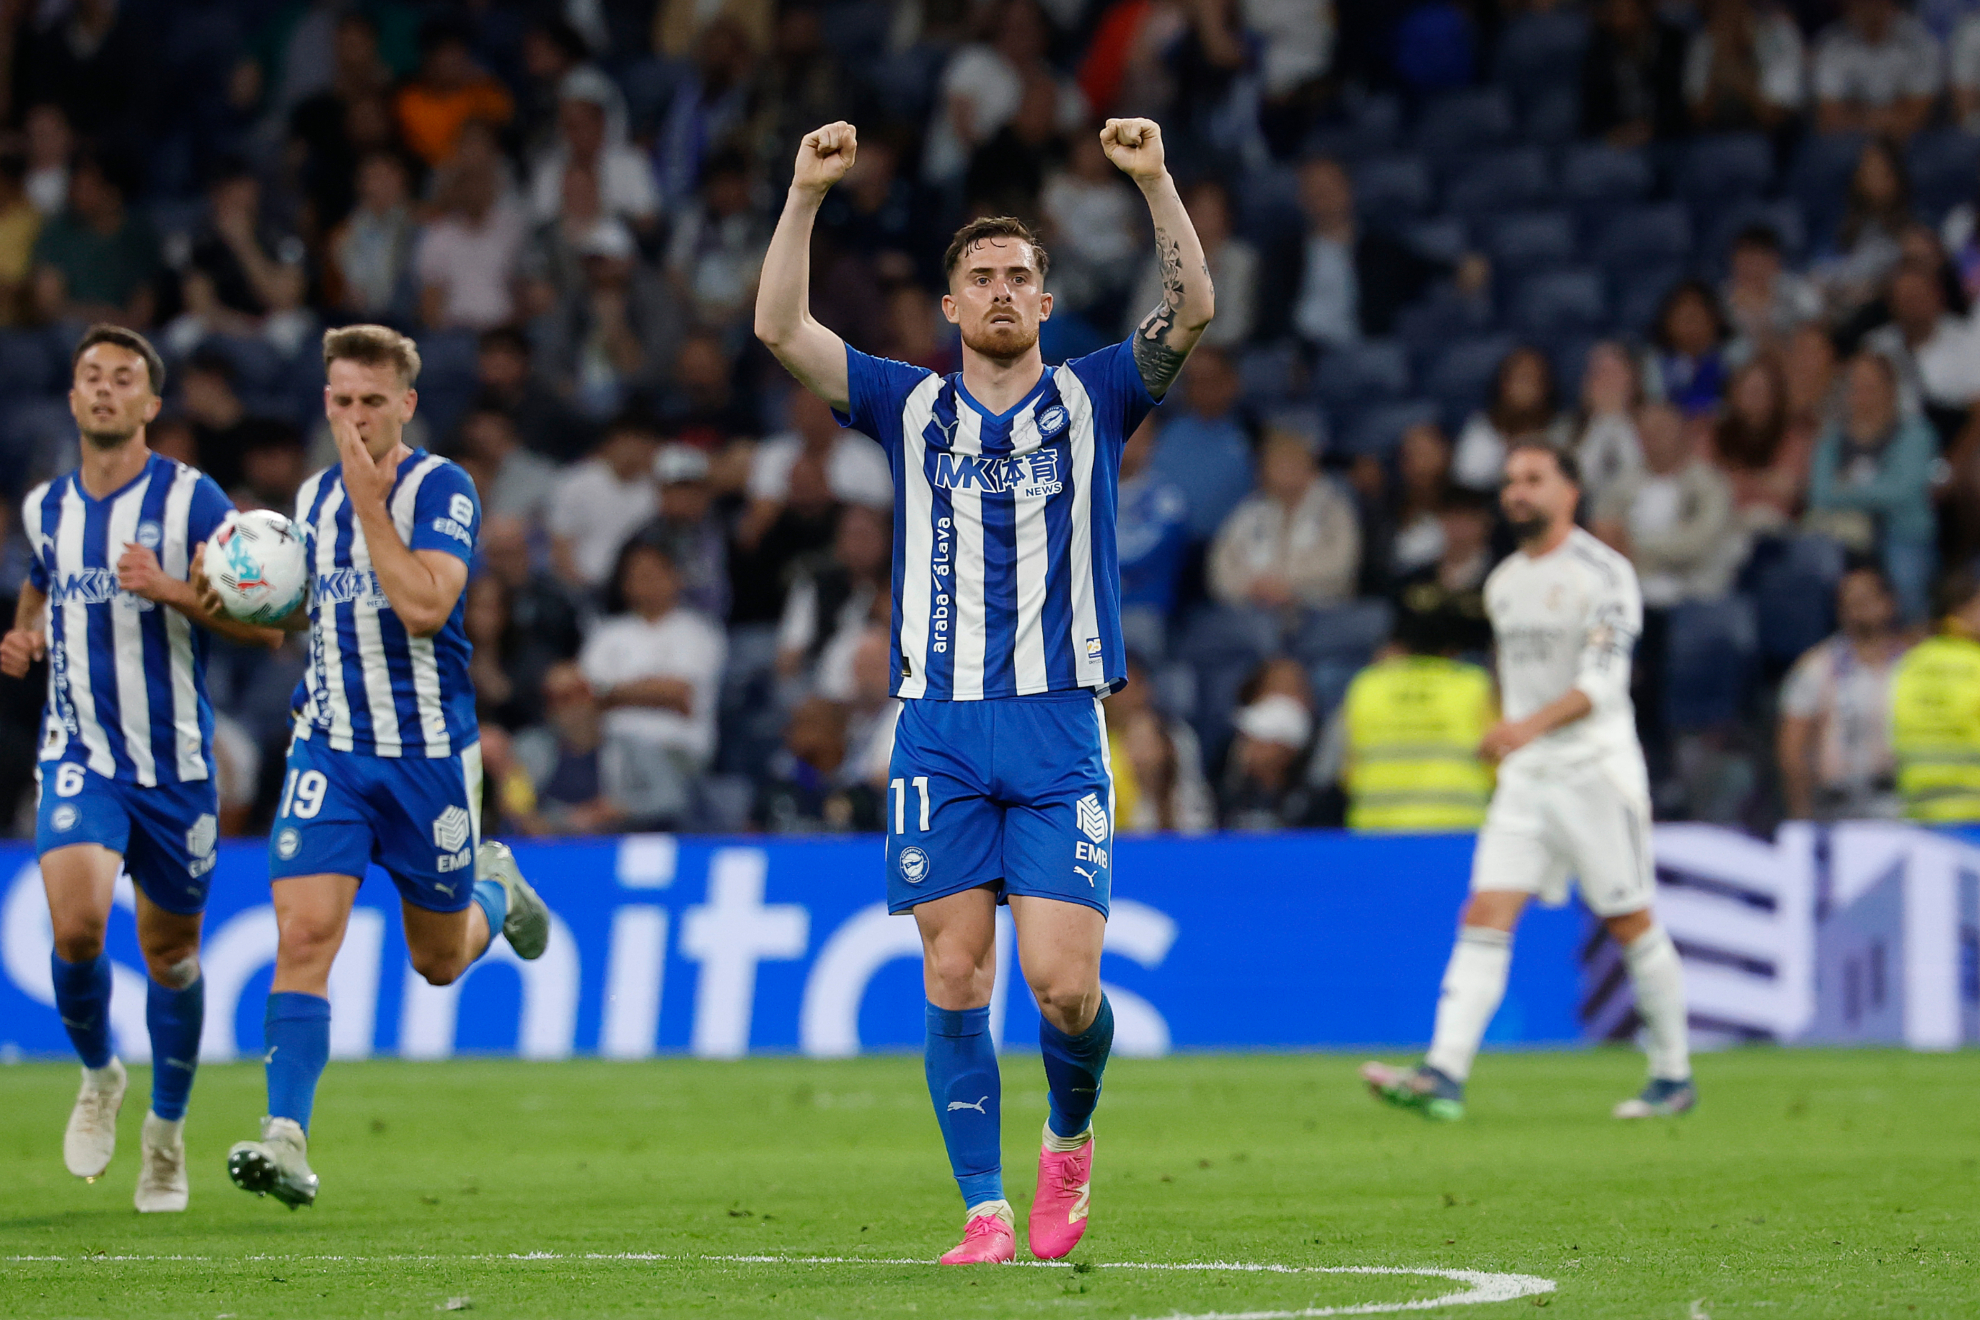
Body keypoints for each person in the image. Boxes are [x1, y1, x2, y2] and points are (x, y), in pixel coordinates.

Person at [754, 116, 1213, 1264]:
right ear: (949, 309)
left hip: (1062, 726)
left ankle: (1069, 1140)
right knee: (955, 971)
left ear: (1045, 306)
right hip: (941, 728)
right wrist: (807, 194)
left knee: (1063, 987)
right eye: (981, 278)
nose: (1002, 291)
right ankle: (984, 1209)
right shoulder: (905, 404)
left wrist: (1153, 179)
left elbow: (1192, 308)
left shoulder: (1098, 394)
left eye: (1020, 277)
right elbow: (777, 326)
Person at [206, 326, 551, 1210]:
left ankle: (494, 892)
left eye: (372, 402)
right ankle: (285, 1136)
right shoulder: (313, 497)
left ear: (406, 403)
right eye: (341, 401)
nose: (355, 418)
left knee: (436, 963)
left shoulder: (442, 488)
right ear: (326, 402)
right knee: (304, 937)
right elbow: (305, 619)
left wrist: (369, 501)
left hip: (428, 759)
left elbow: (427, 606)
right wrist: (213, 599)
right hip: (330, 750)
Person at [0, 326, 279, 1212]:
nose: (107, 390)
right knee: (77, 929)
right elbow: (44, 578)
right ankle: (97, 1072)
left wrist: (172, 591)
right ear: (75, 397)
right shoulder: (45, 505)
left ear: (153, 405)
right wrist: (26, 628)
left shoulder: (194, 501)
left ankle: (165, 1133)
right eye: (92, 377)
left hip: (177, 768)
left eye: (126, 379)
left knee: (170, 955)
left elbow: (266, 624)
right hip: (79, 754)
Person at [1361, 442, 1694, 1123]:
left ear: (1570, 491)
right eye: (1511, 481)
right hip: (1527, 777)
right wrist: (1507, 731)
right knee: (1485, 911)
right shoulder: (1503, 581)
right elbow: (1517, 681)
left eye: (1533, 479)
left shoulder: (1605, 574)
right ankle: (1443, 1074)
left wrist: (1524, 728)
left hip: (1594, 769)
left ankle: (1672, 1075)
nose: (1517, 492)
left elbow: (1601, 684)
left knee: (1629, 919)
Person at [577, 540, 727, 823]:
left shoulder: (699, 632)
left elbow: (679, 694)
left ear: (675, 577)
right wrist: (652, 690)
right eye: (637, 576)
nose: (646, 583)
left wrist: (614, 692)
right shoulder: (607, 634)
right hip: (611, 753)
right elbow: (586, 695)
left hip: (676, 753)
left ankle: (619, 812)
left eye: (653, 574)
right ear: (625, 585)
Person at [1807, 351, 1937, 621]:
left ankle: (1911, 640)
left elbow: (1902, 492)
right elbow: (1819, 494)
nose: (1862, 395)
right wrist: (1877, 489)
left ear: (1890, 390)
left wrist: (1844, 490)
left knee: (1905, 577)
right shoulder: (1832, 437)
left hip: (1901, 534)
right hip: (1842, 534)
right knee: (1814, 571)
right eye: (1855, 387)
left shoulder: (1915, 433)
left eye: (1871, 387)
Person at [1337, 614, 1496, 832]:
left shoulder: (1367, 685)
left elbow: (1347, 768)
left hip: (1377, 828)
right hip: (1460, 826)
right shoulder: (1474, 684)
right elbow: (1497, 760)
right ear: (1452, 650)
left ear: (1399, 646)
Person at [1777, 565, 1907, 820]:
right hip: (1837, 804)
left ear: (1889, 603)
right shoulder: (1817, 666)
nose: (1858, 608)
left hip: (1898, 802)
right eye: (1849, 602)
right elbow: (1792, 747)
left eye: (1866, 599)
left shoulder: (1912, 665)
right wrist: (1801, 813)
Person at [1208, 428, 1361, 616]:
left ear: (1310, 467)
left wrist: (1288, 583)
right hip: (1254, 610)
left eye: (1292, 462)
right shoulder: (1246, 513)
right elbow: (1220, 571)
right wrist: (1251, 586)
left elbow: (1341, 566)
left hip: (1320, 610)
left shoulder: (1334, 509)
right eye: (1278, 463)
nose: (1285, 470)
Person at [1889, 569, 1980, 822]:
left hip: (1920, 811)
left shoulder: (1912, 661)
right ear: (1962, 608)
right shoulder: (1976, 664)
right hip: (1974, 816)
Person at [1813, 0, 1942, 141]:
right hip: (1849, 140)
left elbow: (1918, 115)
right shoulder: (1831, 44)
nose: (1870, 6)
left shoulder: (1920, 41)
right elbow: (1830, 118)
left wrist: (1861, 116)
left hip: (1909, 139)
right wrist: (1880, 125)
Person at [1452, 346, 1569, 492]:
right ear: (1503, 385)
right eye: (1521, 378)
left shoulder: (1564, 429)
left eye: (1534, 379)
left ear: (1546, 386)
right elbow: (1467, 483)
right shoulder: (1482, 428)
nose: (1527, 387)